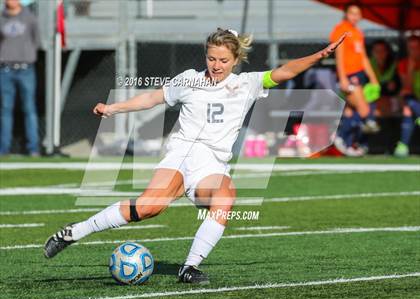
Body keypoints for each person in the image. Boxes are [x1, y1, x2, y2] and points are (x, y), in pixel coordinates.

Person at [44, 28, 346, 284]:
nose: (216, 65)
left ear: (236, 60)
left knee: (225, 198)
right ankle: (74, 232)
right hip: (181, 156)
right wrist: (113, 108)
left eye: (223, 60)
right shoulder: (188, 79)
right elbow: (152, 97)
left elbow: (286, 71)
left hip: (212, 165)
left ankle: (189, 267)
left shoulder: (247, 83)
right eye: (212, 58)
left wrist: (319, 55)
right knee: (150, 208)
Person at [330, 2, 381, 156]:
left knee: (351, 112)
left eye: (357, 13)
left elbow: (363, 57)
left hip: (359, 76)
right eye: (352, 13)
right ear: (345, 13)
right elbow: (338, 56)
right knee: (364, 110)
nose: (355, 16)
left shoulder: (358, 32)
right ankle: (341, 136)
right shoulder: (340, 29)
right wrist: (343, 78)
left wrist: (373, 78)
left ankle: (349, 142)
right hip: (349, 76)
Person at [0, 0, 40, 156]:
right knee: (5, 109)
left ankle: (33, 148)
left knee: (29, 108)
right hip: (5, 70)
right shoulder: (1, 17)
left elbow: (36, 40)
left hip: (26, 69)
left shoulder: (29, 17)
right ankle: (4, 149)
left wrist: (26, 55)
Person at [394, 35, 420, 157]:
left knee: (408, 108)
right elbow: (407, 87)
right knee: (407, 103)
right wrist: (411, 67)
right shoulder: (404, 64)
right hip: (415, 100)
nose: (414, 51)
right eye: (411, 48)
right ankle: (403, 146)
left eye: (416, 47)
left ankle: (403, 145)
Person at [370, 39, 400, 116]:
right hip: (373, 98)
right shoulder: (368, 65)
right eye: (377, 51)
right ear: (372, 52)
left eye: (382, 50)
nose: (380, 54)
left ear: (387, 52)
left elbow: (396, 85)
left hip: (390, 97)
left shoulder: (394, 64)